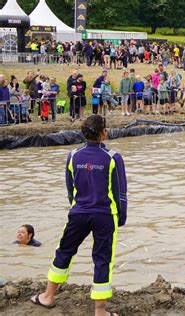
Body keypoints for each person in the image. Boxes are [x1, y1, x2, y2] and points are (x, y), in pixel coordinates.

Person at [31, 115, 127, 316]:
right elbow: (120, 193)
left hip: (78, 213)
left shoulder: (73, 155)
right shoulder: (113, 157)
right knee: (103, 260)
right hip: (105, 216)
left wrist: (77, 208)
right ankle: (100, 311)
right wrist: (121, 218)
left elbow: (70, 189)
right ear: (104, 133)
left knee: (64, 251)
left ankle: (48, 296)